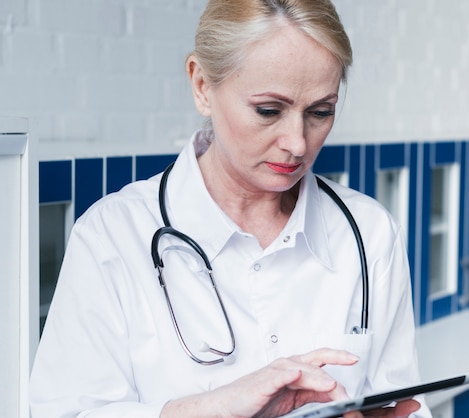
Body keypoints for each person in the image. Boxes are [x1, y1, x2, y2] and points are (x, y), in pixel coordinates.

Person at [30, 1, 432, 417]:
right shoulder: (111, 236)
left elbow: (406, 403)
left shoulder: (369, 233)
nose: (297, 143)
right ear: (202, 84)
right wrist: (218, 408)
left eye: (320, 112)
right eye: (268, 110)